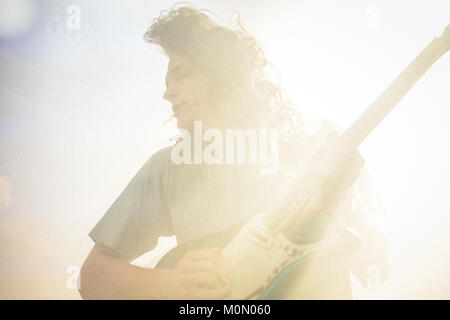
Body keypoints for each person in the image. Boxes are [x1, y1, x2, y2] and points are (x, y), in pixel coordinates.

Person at [79, 5, 389, 300]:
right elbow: (92, 277)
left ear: (221, 73)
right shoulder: (168, 167)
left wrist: (344, 203)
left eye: (182, 74)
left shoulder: (311, 152)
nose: (167, 91)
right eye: (167, 81)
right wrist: (174, 284)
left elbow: (376, 268)